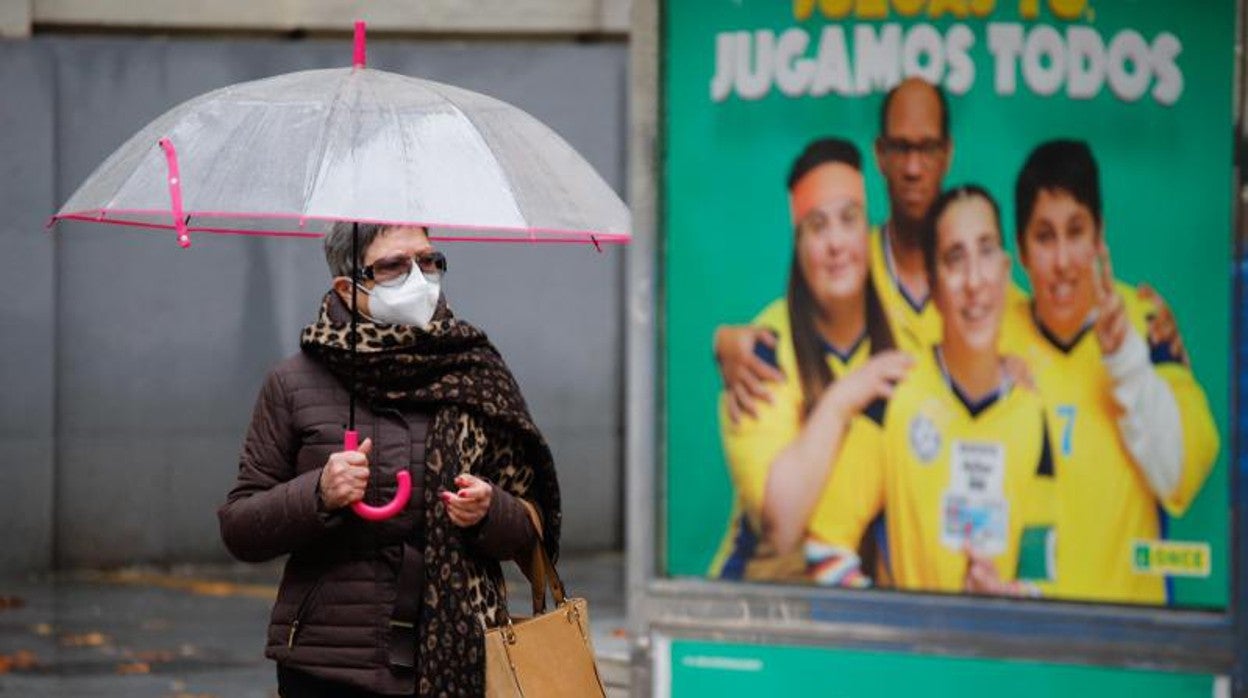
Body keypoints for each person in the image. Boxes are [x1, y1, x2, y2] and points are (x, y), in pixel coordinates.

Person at [218, 223, 560, 696]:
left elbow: (531, 527)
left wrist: (490, 510)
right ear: (347, 286)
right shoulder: (294, 383)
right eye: (395, 266)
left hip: (460, 663)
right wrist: (319, 493)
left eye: (428, 260)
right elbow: (240, 529)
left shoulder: (477, 373)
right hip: (331, 668)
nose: (419, 278)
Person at [805, 186, 1055, 596]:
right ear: (934, 287)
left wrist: (1011, 600)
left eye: (987, 251)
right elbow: (823, 549)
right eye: (955, 259)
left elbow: (1043, 573)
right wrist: (892, 627)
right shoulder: (893, 398)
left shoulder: (1032, 412)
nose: (975, 280)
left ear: (1007, 272)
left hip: (996, 659)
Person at [1004, 140, 1219, 604]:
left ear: (1100, 235)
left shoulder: (1146, 324)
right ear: (1021, 250)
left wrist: (1126, 360)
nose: (1062, 261)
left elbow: (1178, 474)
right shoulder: (993, 337)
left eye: (1076, 232)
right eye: (1044, 237)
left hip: (1128, 643)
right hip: (1026, 648)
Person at [709, 138, 912, 581]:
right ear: (799, 245)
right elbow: (781, 526)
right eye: (818, 226)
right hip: (762, 600)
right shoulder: (764, 352)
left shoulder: (904, 332)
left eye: (848, 220)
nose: (837, 242)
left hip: (863, 601)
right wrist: (842, 400)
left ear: (868, 230)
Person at [714, 77, 953, 424]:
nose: (913, 168)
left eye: (927, 147)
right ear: (880, 155)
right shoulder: (848, 263)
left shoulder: (978, 286)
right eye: (901, 148)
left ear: (947, 152)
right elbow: (781, 327)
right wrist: (724, 343)